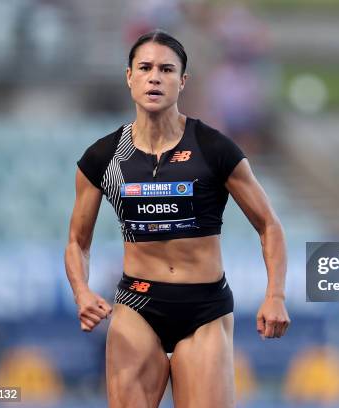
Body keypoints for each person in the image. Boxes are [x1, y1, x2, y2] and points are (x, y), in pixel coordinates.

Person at [64, 30, 290, 408]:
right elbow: (77, 241)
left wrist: (276, 295)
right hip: (137, 305)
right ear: (129, 77)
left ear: (182, 82)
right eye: (146, 67)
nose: (155, 77)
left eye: (167, 69)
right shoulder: (102, 157)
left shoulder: (214, 148)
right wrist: (82, 291)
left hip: (204, 308)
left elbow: (269, 225)